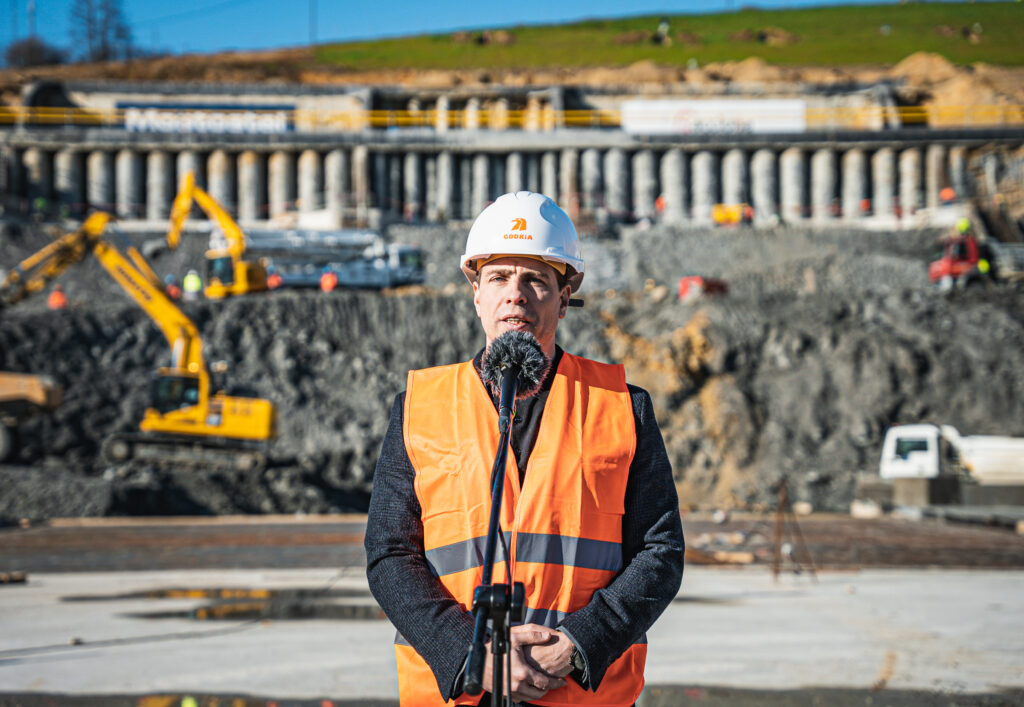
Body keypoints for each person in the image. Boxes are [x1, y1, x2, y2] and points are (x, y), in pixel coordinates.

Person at [365, 191, 684, 706]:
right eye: (498, 278)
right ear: (476, 294)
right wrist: (470, 653)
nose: (515, 295)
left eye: (535, 279)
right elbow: (390, 554)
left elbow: (660, 551)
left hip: (577, 693)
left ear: (564, 296)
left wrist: (580, 643)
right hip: (462, 692)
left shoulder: (624, 407)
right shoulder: (418, 408)